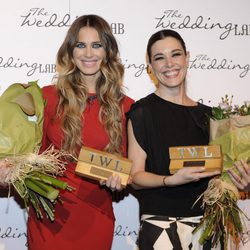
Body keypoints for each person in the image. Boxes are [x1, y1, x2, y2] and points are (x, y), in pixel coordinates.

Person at [27, 14, 134, 250]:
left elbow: (131, 166)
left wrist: (122, 180)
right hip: (49, 217)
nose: (88, 54)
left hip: (96, 218)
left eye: (96, 45)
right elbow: (28, 156)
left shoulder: (126, 107)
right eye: (80, 45)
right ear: (70, 51)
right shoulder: (46, 97)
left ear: (107, 51)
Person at [127, 29, 221, 250]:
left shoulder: (211, 116)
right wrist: (170, 180)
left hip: (207, 228)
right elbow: (135, 176)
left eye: (176, 54)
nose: (169, 63)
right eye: (159, 58)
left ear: (187, 57)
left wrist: (240, 180)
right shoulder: (142, 112)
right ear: (150, 67)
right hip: (161, 225)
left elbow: (221, 175)